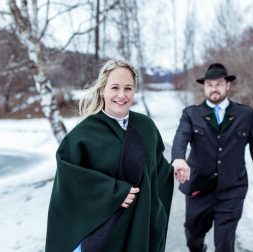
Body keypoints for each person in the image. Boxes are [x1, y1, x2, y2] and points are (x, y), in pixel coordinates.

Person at [45, 59, 174, 252]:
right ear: (102, 90)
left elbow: (157, 170)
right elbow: (70, 182)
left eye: (128, 88)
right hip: (102, 236)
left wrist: (175, 169)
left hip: (141, 228)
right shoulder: (84, 134)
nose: (122, 95)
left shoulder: (146, 127)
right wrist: (113, 193)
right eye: (115, 87)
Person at [171, 63, 253, 252]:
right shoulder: (191, 114)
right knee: (193, 235)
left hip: (232, 189)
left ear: (227, 85)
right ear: (204, 87)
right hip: (199, 187)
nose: (214, 89)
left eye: (218, 84)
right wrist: (178, 158)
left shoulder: (246, 114)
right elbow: (181, 137)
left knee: (225, 243)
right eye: (209, 85)